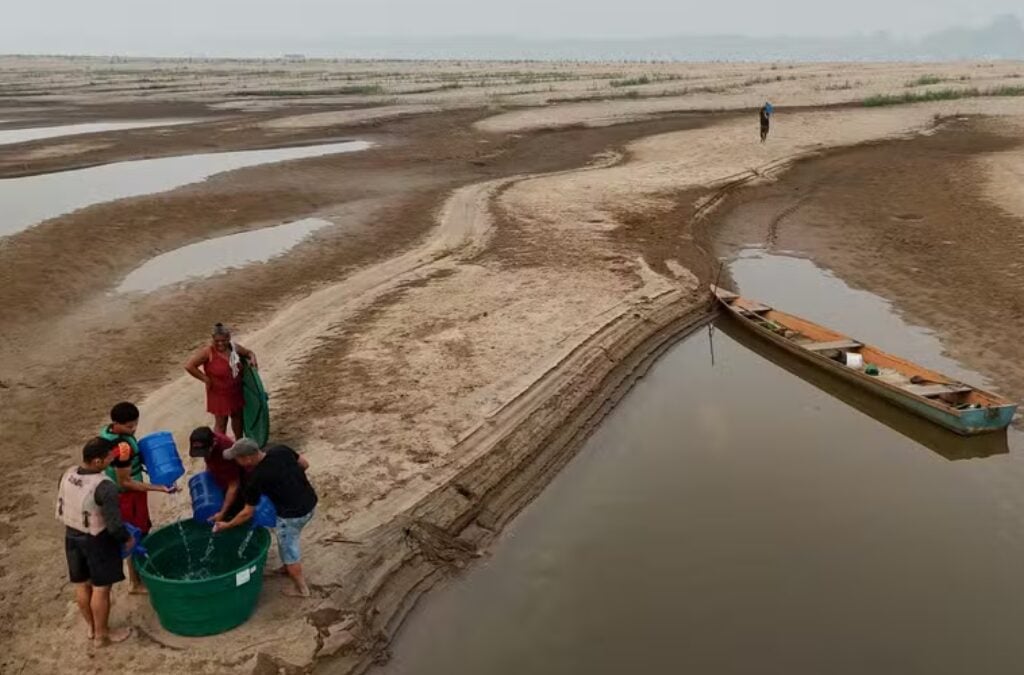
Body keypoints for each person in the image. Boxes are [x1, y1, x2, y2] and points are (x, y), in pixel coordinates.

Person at [213, 438, 317, 598]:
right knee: (286, 541)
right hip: (310, 502)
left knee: (290, 550)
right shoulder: (280, 449)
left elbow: (247, 512)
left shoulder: (256, 479)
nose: (235, 461)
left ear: (247, 458)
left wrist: (227, 525)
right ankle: (286, 567)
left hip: (292, 516)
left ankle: (301, 589)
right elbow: (304, 464)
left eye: (237, 458)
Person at [57, 437, 135, 646]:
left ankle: (92, 628)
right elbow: (114, 525)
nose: (112, 459)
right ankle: (102, 635)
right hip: (97, 540)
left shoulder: (68, 474)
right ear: (98, 462)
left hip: (72, 536)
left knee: (82, 584)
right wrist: (126, 539)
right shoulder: (104, 486)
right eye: (110, 457)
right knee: (101, 588)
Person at [101, 401, 173, 594]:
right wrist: (160, 488)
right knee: (134, 534)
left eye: (135, 425)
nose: (133, 429)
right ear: (115, 423)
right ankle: (135, 582)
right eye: (128, 426)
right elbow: (125, 482)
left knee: (139, 531)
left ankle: (138, 575)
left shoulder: (107, 433)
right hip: (127, 496)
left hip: (126, 494)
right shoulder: (122, 448)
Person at [185, 323, 257, 439]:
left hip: (235, 390)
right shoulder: (208, 352)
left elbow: (249, 353)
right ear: (213, 339)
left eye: (223, 340)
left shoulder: (234, 348)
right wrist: (206, 379)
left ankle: (239, 442)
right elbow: (189, 366)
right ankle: (220, 446)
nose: (220, 343)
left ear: (228, 338)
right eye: (217, 341)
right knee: (221, 422)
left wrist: (253, 359)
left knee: (238, 418)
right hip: (218, 392)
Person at [189, 426, 245, 521]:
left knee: (233, 514)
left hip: (240, 483)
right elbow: (209, 462)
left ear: (214, 443)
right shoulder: (207, 443)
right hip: (223, 480)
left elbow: (234, 486)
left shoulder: (226, 452)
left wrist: (222, 513)